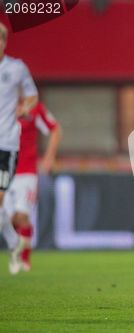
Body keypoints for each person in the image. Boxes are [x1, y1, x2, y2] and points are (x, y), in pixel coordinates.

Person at [4, 102, 61, 272]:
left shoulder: (35, 109)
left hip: (27, 172)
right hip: (6, 170)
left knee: (22, 215)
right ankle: (16, 253)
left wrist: (49, 158)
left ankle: (25, 258)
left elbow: (55, 130)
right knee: (8, 219)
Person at [0, 22, 38, 274]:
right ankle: (14, 241)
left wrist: (23, 108)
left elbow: (32, 96)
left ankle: (15, 244)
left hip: (5, 145)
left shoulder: (16, 68)